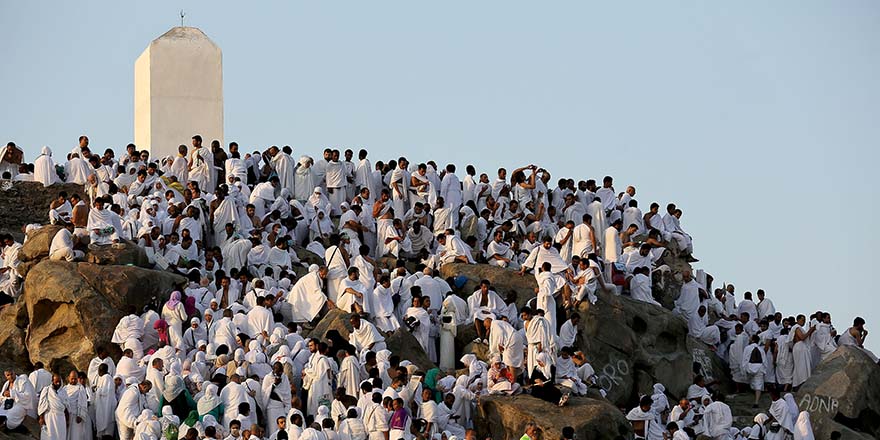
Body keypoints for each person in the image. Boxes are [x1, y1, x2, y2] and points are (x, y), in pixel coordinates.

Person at [38, 374, 69, 440]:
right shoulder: (47, 390)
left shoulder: (64, 392)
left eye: (59, 382)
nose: (58, 383)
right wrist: (41, 418)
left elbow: (66, 407)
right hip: (50, 417)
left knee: (61, 436)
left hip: (61, 418)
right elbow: (42, 405)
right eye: (56, 382)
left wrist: (67, 419)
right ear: (52, 381)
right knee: (50, 436)